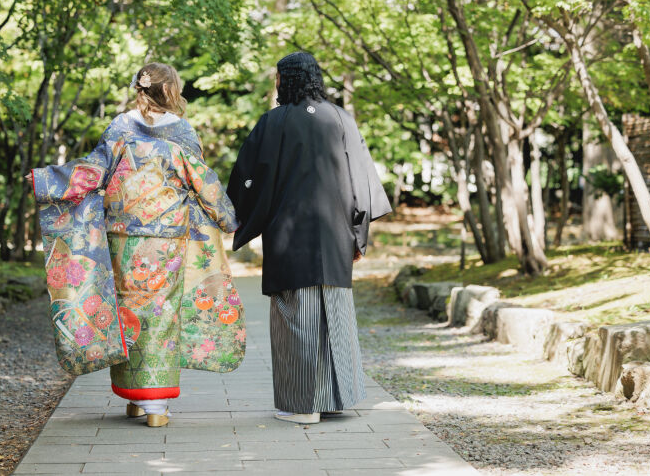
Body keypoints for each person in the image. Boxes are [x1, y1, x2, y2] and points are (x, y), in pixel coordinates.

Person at [29, 62, 246, 427]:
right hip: (166, 242)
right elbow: (203, 181)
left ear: (139, 89)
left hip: (123, 238)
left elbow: (93, 171)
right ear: (172, 91)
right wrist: (229, 218)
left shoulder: (119, 128)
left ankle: (134, 399)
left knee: (127, 312)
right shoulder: (182, 132)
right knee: (160, 314)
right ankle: (156, 406)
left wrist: (46, 180)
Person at [227, 52, 391, 424]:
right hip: (335, 235)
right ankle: (336, 397)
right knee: (335, 312)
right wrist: (358, 236)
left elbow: (248, 179)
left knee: (295, 314)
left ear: (285, 81)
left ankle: (302, 405)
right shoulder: (340, 118)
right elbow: (362, 183)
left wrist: (237, 217)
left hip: (290, 234)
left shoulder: (274, 122)